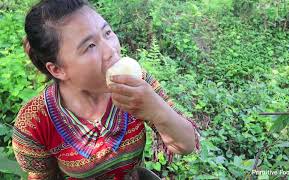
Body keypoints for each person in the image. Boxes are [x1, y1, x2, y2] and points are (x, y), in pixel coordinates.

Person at [12, 0, 200, 179]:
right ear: (57, 69)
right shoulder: (33, 125)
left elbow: (186, 145)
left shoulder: (137, 84)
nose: (111, 50)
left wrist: (157, 110)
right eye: (90, 46)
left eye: (107, 33)